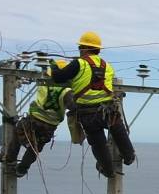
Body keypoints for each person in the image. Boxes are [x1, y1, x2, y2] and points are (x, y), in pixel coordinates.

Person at [50, 31, 134, 178]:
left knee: (98, 144)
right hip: (108, 110)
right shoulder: (107, 66)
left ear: (84, 48)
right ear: (97, 49)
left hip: (88, 114)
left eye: (80, 48)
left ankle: (108, 170)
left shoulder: (79, 64)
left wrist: (53, 66)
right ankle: (129, 156)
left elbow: (58, 78)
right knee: (119, 130)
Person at [0, 60, 77, 177]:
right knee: (36, 147)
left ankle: (9, 158)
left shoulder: (44, 81)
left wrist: (17, 69)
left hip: (35, 118)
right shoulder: (68, 90)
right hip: (50, 125)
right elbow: (72, 106)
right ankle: (22, 169)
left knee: (18, 133)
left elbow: (41, 74)